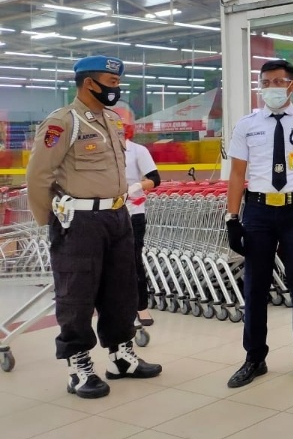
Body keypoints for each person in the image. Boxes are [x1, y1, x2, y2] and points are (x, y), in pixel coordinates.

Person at [25, 55, 162, 399]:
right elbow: (38, 176)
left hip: (118, 215)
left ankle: (121, 357)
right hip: (80, 221)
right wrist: (50, 223)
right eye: (112, 83)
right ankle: (78, 364)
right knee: (77, 294)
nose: (116, 89)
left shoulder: (113, 121)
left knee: (122, 289)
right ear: (89, 83)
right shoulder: (62, 122)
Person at [225, 59, 293, 388]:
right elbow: (237, 174)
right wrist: (232, 218)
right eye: (266, 82)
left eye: (278, 82)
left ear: (292, 86)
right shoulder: (247, 124)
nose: (271, 88)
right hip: (257, 212)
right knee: (255, 286)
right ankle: (254, 358)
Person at [123, 122, 162, 326]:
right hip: (107, 214)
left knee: (133, 260)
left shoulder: (137, 151)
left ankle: (142, 307)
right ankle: (117, 307)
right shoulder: (102, 151)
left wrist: (137, 186)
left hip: (133, 212)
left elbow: (155, 179)